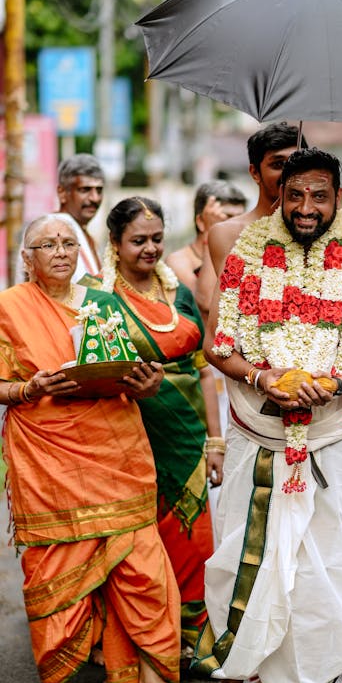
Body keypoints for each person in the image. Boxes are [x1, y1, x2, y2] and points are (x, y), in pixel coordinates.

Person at [186, 147, 342, 683]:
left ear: (339, 198)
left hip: (328, 442)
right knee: (241, 568)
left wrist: (328, 383)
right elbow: (219, 348)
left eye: (320, 196)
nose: (306, 208)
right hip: (259, 437)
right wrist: (265, 379)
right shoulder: (246, 254)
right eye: (296, 194)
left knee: (317, 574)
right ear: (278, 194)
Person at [0, 213, 200, 683]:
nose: (61, 251)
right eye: (47, 244)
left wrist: (147, 384)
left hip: (118, 450)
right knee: (54, 570)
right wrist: (30, 389)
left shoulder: (104, 303)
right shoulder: (10, 307)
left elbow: (137, 370)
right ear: (28, 258)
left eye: (68, 243)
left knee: (145, 570)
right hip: (49, 459)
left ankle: (155, 679)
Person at [94, 197, 222, 651]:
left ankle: (192, 637)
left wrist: (215, 441)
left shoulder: (178, 292)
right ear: (114, 242)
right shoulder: (98, 299)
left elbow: (203, 369)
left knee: (193, 538)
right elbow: (93, 371)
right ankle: (141, 641)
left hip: (185, 435)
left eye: (156, 239)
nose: (149, 249)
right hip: (126, 433)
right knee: (134, 540)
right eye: (138, 241)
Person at [193, 122, 308, 319]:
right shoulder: (227, 233)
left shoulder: (318, 229)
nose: (289, 172)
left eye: (297, 162)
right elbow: (206, 301)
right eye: (278, 164)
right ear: (255, 172)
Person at [166, 179, 247, 298]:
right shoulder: (178, 261)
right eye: (227, 217)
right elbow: (205, 302)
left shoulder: (245, 256)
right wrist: (212, 231)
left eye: (240, 218)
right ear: (201, 221)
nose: (235, 225)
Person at [56, 155, 106, 278]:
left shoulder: (83, 233)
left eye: (99, 190)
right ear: (62, 192)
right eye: (85, 190)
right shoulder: (53, 231)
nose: (95, 198)